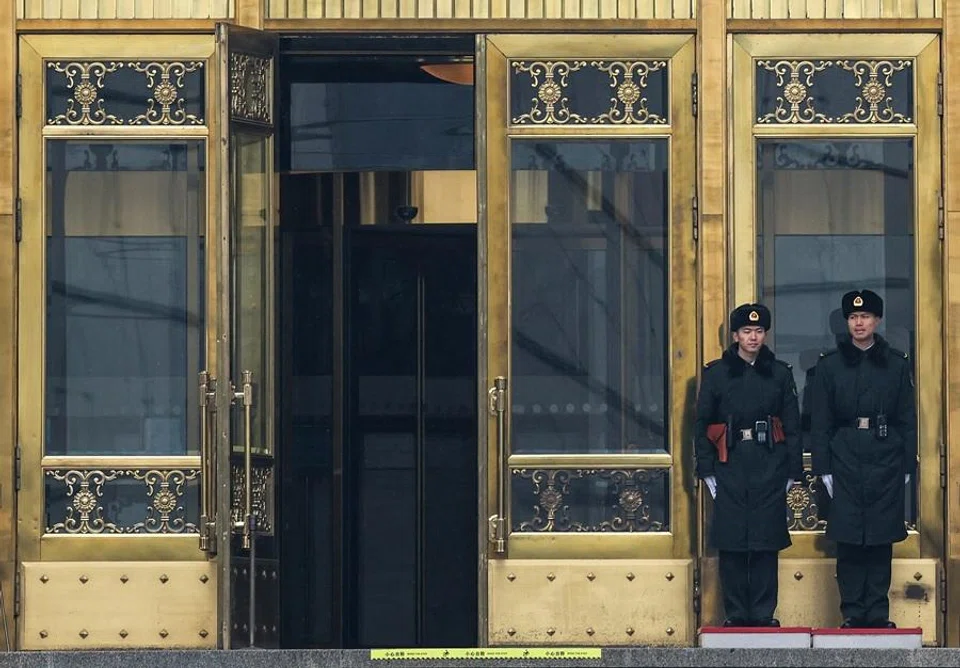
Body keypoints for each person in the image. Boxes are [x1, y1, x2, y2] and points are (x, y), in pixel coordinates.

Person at [809, 289, 916, 629]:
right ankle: (853, 610)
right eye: (854, 318)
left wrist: (907, 464)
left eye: (866, 317)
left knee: (881, 540)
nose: (860, 323)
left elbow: (907, 418)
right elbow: (821, 422)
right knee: (850, 539)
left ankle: (878, 613)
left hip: (885, 457)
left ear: (877, 321)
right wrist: (823, 467)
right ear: (846, 322)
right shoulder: (829, 366)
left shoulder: (896, 364)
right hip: (845, 457)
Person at [695, 303, 802, 627]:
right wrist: (707, 469)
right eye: (746, 332)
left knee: (766, 543)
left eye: (758, 331)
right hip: (730, 462)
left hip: (769, 462)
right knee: (733, 543)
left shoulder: (780, 373)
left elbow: (793, 425)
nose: (752, 337)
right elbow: (701, 424)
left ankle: (764, 613)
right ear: (735, 335)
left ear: (765, 334)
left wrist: (792, 471)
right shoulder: (717, 373)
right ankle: (737, 614)